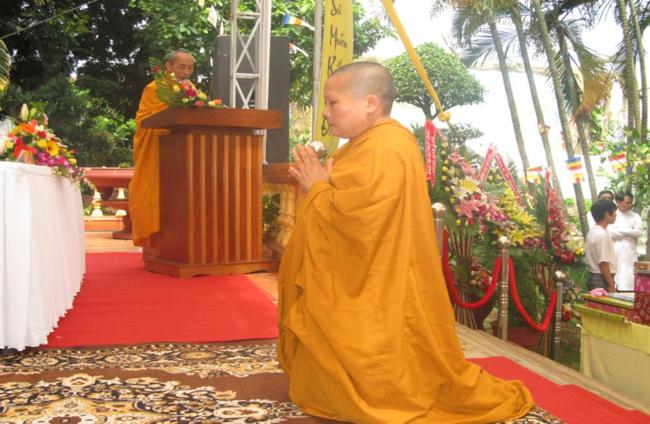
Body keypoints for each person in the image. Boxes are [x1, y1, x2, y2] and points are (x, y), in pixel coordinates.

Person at [277, 61, 533, 423]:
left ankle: (375, 387)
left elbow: (361, 221)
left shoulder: (386, 148)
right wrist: (321, 186)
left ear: (370, 103)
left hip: (381, 280)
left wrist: (318, 187)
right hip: (372, 271)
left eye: (333, 103)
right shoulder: (367, 145)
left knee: (383, 360)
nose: (326, 113)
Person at [128, 49, 195, 247]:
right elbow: (146, 119)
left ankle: (180, 241)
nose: (186, 72)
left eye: (190, 68)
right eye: (182, 67)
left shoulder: (190, 88)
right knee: (154, 191)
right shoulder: (155, 88)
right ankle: (156, 241)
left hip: (182, 150)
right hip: (158, 147)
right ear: (169, 66)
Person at [609, 192, 643, 291]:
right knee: (616, 271)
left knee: (629, 272)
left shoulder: (634, 216)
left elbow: (638, 232)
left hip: (629, 249)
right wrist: (629, 233)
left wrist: (620, 230)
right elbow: (611, 233)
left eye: (631, 203)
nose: (629, 205)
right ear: (618, 202)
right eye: (627, 202)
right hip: (615, 248)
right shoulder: (612, 214)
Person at [585, 199, 618, 292]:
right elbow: (603, 262)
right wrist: (611, 285)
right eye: (614, 212)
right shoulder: (601, 234)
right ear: (607, 214)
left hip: (596, 277)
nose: (615, 215)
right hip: (601, 279)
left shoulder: (594, 231)